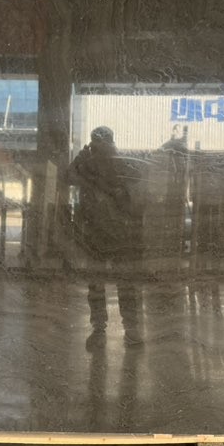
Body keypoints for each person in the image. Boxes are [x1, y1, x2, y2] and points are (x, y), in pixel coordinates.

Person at [68, 126, 142, 348]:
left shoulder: (116, 161)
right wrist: (82, 159)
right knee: (101, 283)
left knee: (116, 282)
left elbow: (136, 177)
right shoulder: (88, 163)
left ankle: (124, 328)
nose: (98, 146)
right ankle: (109, 328)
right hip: (100, 232)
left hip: (115, 232)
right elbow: (68, 177)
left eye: (101, 142)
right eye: (96, 143)